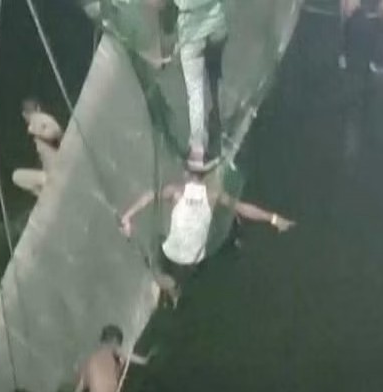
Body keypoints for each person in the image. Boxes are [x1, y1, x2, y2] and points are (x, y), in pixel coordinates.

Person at [120, 163, 295, 305]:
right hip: (191, 252)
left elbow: (150, 196)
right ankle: (172, 289)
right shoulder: (210, 195)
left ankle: (171, 288)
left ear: (187, 174)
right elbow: (242, 208)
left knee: (164, 274)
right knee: (172, 277)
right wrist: (272, 218)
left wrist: (128, 216)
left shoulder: (177, 191)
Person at [173, 0, 228, 165]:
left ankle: (198, 150)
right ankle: (220, 132)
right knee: (215, 77)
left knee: (195, 90)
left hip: (191, 33)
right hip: (217, 23)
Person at [11, 99, 63, 199]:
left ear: (24, 115)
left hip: (57, 170)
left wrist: (37, 132)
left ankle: (48, 196)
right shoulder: (39, 122)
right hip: (50, 174)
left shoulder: (40, 119)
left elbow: (56, 132)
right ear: (38, 107)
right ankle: (46, 195)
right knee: (17, 176)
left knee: (17, 176)